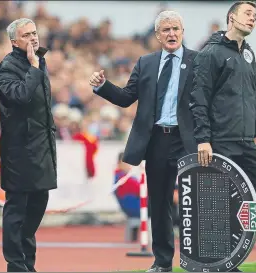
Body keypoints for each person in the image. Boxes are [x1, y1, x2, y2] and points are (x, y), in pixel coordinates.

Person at [89, 10, 197, 272]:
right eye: (166, 30)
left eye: (176, 29)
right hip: (157, 141)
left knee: (194, 200)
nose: (171, 34)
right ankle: (162, 263)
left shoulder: (199, 61)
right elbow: (127, 97)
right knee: (159, 204)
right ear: (158, 36)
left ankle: (198, 260)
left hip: (188, 141)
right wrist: (102, 86)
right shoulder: (146, 63)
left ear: (183, 32)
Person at [190, 2, 256, 271]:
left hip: (246, 142)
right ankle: (220, 262)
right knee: (219, 205)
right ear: (231, 18)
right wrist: (203, 139)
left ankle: (233, 258)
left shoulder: (249, 54)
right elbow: (198, 98)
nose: (253, 19)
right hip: (221, 141)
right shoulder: (211, 53)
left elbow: (254, 94)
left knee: (254, 203)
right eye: (248, 14)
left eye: (255, 16)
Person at [0, 18, 57, 272]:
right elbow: (19, 96)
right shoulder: (7, 67)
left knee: (36, 207)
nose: (33, 38)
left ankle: (27, 263)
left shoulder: (39, 61)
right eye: (26, 35)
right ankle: (15, 264)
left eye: (34, 33)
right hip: (19, 151)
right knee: (17, 209)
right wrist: (33, 68)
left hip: (42, 146)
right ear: (14, 41)